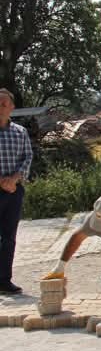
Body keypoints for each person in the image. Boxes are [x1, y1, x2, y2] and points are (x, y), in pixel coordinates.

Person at [0, 88, 32, 294]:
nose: (1, 107)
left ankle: (4, 280)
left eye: (4, 103)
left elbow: (27, 157)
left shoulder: (20, 132)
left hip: (14, 190)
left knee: (9, 237)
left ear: (12, 107)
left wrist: (14, 179)